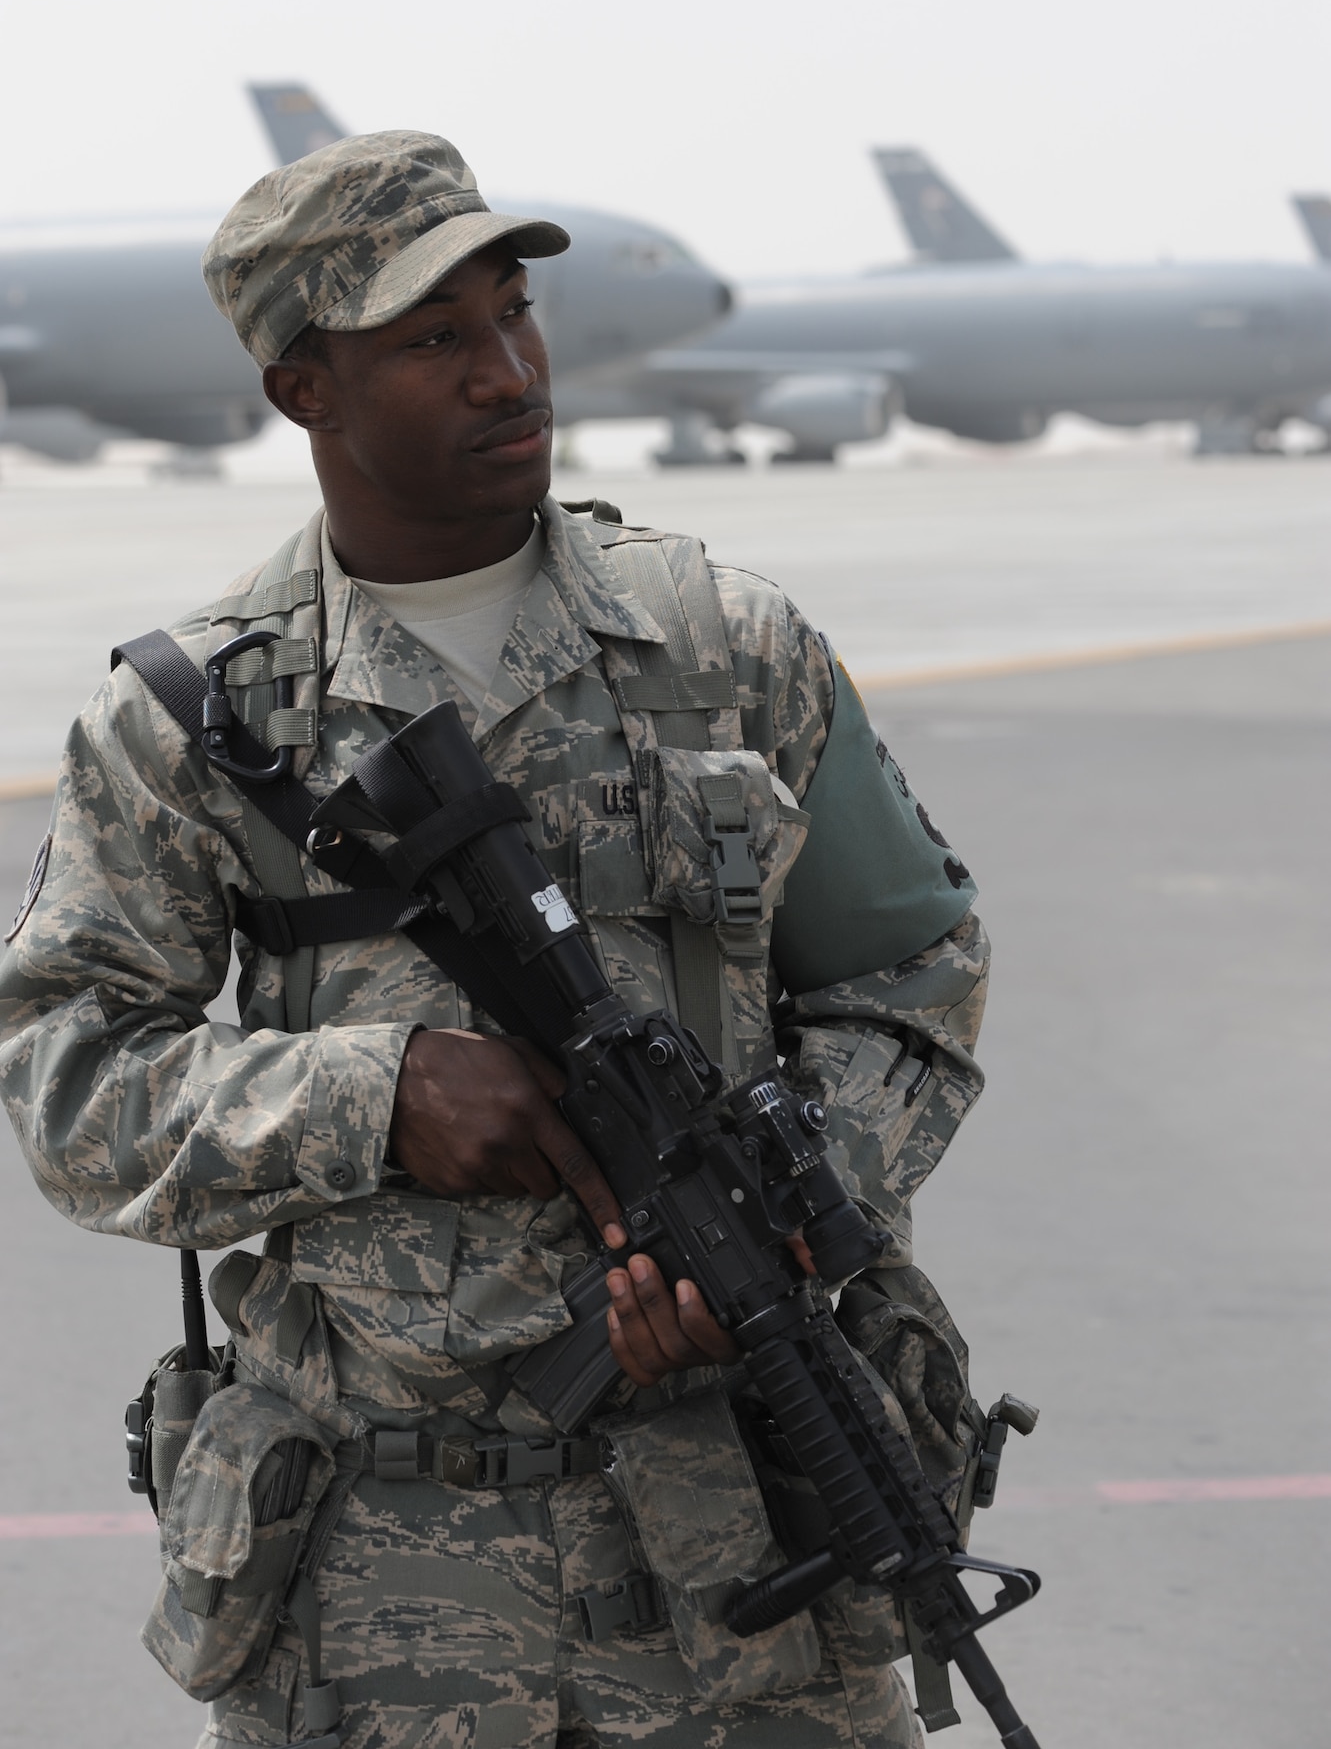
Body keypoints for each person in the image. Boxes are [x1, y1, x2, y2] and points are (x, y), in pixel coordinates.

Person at [0, 133, 993, 1749]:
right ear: (303, 391)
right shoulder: (195, 718)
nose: (508, 371)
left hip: (751, 1553)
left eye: (512, 314)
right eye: (433, 340)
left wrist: (805, 1203)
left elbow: (914, 976)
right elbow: (65, 1077)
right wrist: (371, 1095)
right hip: (379, 1583)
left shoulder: (730, 647)